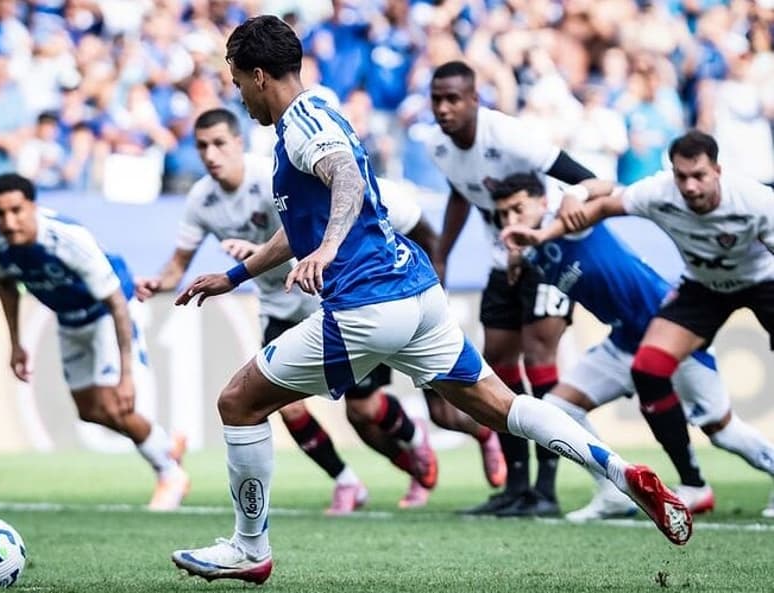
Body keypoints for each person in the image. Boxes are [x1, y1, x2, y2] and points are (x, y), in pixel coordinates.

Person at [169, 15, 691, 586]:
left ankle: (249, 548)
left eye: (239, 81)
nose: (239, 95)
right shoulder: (320, 108)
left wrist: (330, 249)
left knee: (239, 403)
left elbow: (342, 174)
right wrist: (237, 275)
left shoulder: (299, 126)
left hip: (366, 306)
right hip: (416, 295)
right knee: (504, 405)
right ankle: (618, 471)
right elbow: (303, 223)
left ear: (261, 75)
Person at [135, 107, 461, 512]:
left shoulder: (271, 176)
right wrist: (158, 282)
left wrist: (252, 259)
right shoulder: (201, 199)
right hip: (277, 305)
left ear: (238, 142)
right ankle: (347, 483)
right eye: (202, 146)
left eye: (219, 143)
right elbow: (176, 266)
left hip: (326, 296)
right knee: (284, 405)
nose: (211, 154)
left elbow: (304, 231)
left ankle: (416, 444)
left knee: (364, 409)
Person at [501, 130, 774, 519]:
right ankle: (624, 490)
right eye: (681, 177)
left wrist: (576, 192)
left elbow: (601, 188)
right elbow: (612, 202)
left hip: (759, 283)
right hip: (684, 302)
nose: (689, 186)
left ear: (718, 170)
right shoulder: (659, 192)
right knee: (562, 408)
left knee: (723, 431)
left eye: (698, 175)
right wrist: (537, 239)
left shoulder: (756, 200)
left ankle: (709, 480)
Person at [424, 60, 602, 516]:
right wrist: (441, 253)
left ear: (474, 100)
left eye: (453, 99)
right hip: (500, 261)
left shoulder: (509, 136)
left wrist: (551, 231)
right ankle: (515, 487)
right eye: (436, 99)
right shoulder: (437, 146)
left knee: (541, 365)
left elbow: (585, 181)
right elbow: (461, 194)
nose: (443, 109)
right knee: (498, 368)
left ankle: (546, 490)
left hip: (545, 259)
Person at [0, 172, 189, 511]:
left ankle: (170, 473)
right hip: (69, 318)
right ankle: (166, 444)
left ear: (32, 206)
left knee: (116, 404)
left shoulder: (68, 240)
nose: (9, 221)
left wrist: (126, 375)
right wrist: (16, 343)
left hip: (108, 312)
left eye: (16, 210)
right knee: (89, 411)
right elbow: (5, 285)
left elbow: (116, 303)